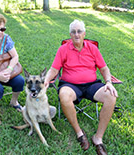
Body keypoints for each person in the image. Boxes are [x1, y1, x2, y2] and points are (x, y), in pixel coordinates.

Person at [44, 20, 118, 155]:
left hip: (92, 85)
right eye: (73, 32)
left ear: (84, 33)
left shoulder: (92, 49)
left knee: (111, 96)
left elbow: (104, 68)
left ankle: (98, 138)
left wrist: (108, 82)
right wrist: (46, 80)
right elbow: (54, 69)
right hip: (70, 85)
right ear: (70, 34)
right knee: (64, 95)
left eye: (79, 31)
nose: (76, 34)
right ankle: (79, 133)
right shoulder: (63, 49)